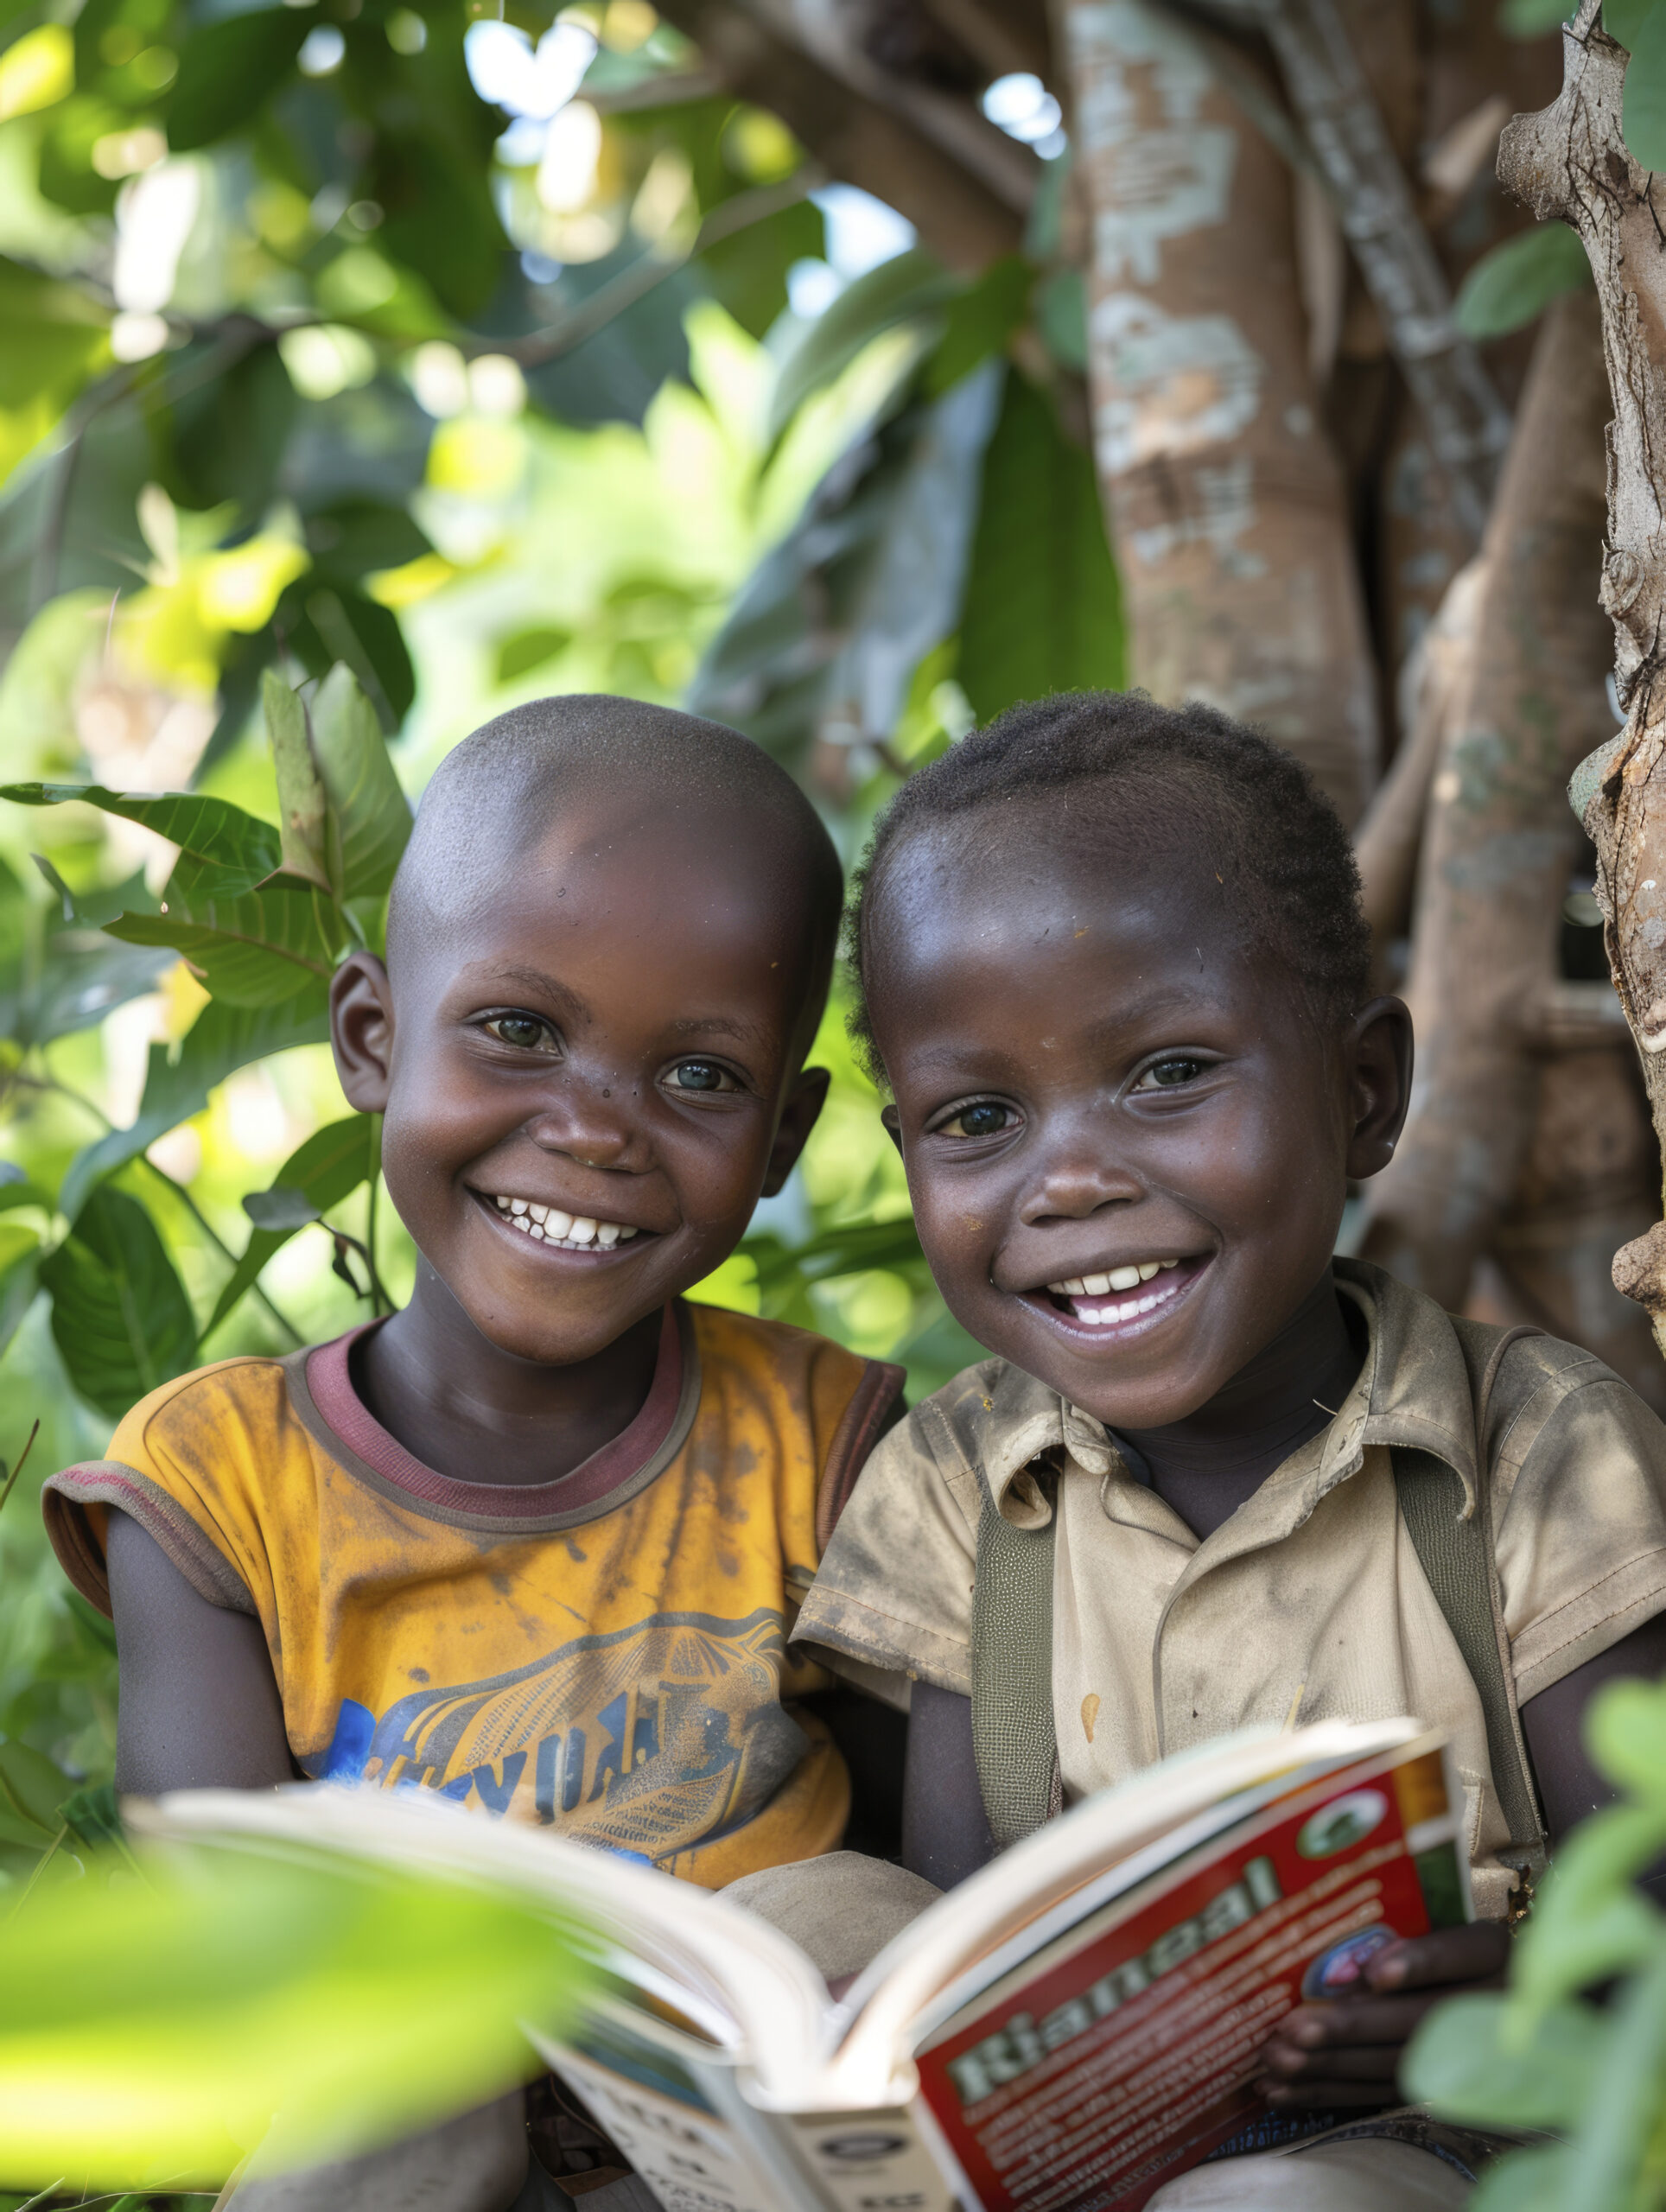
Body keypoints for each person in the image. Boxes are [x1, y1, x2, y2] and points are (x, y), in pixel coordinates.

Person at [792, 691, 1666, 2210]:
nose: (1067, 1181)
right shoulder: (952, 1492)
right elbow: (950, 1939)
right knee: (821, 1915)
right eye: (980, 1116)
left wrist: (1495, 2005)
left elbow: (1640, 1939)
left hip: (1431, 2151)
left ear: (1365, 1092)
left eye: (1170, 1073)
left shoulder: (1536, 1457)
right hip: (1078, 2168)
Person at [40, 696, 906, 2209]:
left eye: (698, 1076)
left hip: (719, 2157)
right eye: (519, 1031)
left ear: (780, 1139)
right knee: (390, 2080)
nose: (594, 1130)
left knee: (847, 1918)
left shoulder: (824, 1440)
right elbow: (235, 1922)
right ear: (371, 1036)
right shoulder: (220, 1480)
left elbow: (923, 1874)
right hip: (413, 2148)